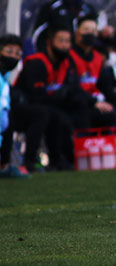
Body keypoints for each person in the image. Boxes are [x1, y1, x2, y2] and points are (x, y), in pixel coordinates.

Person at [15, 24, 85, 171]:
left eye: (68, 41)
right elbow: (35, 96)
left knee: (79, 108)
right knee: (48, 114)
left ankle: (73, 159)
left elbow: (74, 89)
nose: (65, 45)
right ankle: (29, 162)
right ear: (49, 42)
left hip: (49, 106)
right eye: (61, 41)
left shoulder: (66, 64)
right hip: (22, 108)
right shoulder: (37, 63)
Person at [0, 34, 29, 178]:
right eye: (9, 51)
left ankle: (5, 166)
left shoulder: (5, 78)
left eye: (17, 53)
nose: (13, 56)